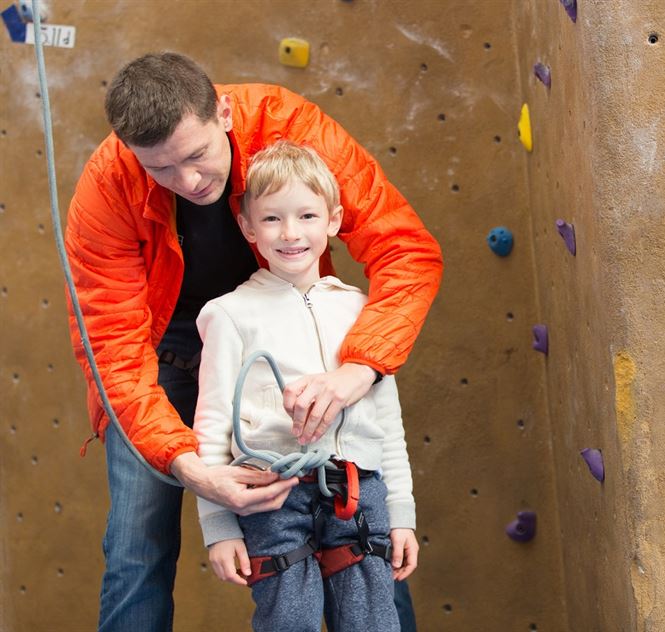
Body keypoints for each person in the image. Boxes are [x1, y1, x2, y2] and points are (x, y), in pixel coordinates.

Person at [64, 52, 440, 631]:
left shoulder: (291, 129)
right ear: (130, 152)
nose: (187, 182)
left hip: (281, 347)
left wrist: (358, 370)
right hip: (160, 363)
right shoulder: (107, 184)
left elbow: (404, 252)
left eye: (196, 156)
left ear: (224, 112)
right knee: (137, 544)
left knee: (361, 521)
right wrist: (188, 466)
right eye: (161, 170)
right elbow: (110, 346)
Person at [194, 140, 417, 631]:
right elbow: (210, 429)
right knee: (287, 621)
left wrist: (402, 513)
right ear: (247, 226)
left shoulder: (362, 311)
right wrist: (218, 525)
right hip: (272, 495)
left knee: (373, 622)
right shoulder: (230, 315)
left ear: (334, 220)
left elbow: (387, 425)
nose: (290, 233)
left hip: (360, 490)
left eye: (307, 216)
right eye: (272, 219)